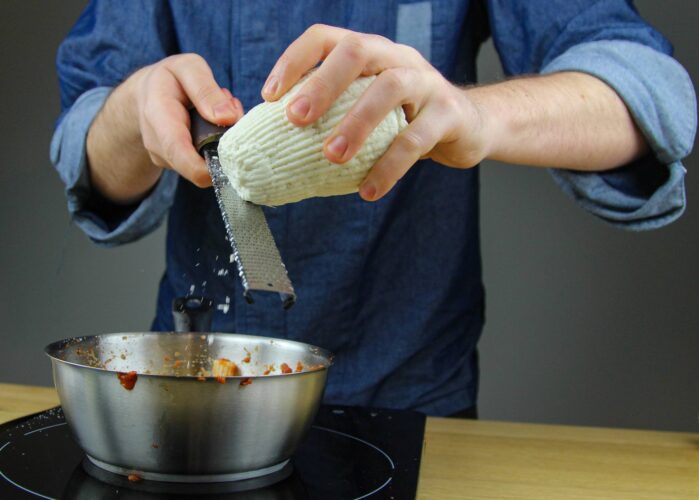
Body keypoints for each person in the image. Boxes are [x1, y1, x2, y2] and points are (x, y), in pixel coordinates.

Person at [51, 1, 695, 417]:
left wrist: (478, 114)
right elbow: (90, 158)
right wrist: (133, 114)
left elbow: (653, 92)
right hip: (197, 398)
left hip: (412, 402)